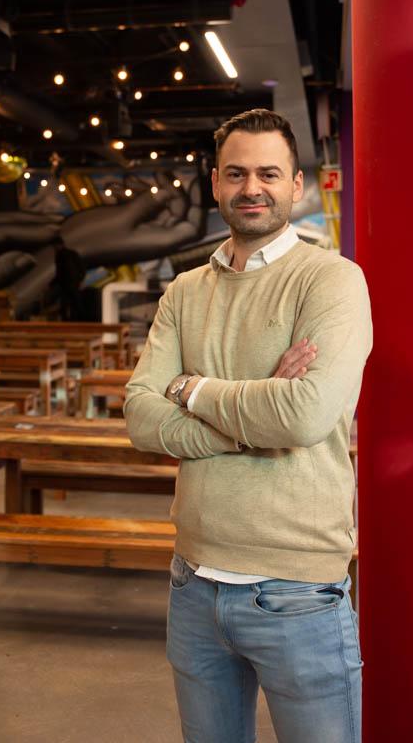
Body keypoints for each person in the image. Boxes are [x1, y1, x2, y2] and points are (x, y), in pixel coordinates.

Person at [124, 109, 372, 743]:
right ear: (215, 183)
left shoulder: (333, 281)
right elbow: (142, 417)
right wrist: (249, 422)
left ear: (297, 185)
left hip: (297, 591)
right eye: (236, 173)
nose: (251, 187)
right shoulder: (183, 292)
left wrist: (193, 388)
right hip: (193, 581)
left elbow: (306, 414)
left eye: (269, 173)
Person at [53, 235, 86, 320]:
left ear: (59, 245)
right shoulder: (70, 253)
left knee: (70, 303)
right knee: (74, 303)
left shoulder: (61, 255)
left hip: (68, 283)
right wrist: (81, 279)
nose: (54, 248)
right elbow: (81, 267)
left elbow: (60, 272)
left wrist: (53, 283)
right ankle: (77, 320)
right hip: (71, 282)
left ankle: (72, 320)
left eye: (55, 246)